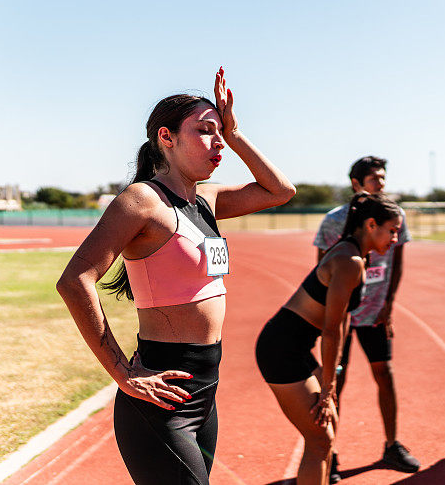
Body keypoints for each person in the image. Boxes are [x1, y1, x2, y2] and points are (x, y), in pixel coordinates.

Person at [56, 68, 295, 485]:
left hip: (204, 389)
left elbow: (280, 191)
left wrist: (236, 133)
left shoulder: (206, 199)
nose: (217, 141)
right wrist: (123, 374)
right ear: (166, 138)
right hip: (162, 392)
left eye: (220, 132)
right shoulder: (142, 201)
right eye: (205, 131)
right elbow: (75, 280)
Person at [256, 193, 403, 485]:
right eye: (393, 230)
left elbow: (345, 320)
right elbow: (332, 327)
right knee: (320, 438)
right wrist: (328, 386)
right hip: (281, 349)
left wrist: (330, 378)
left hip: (295, 347)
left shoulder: (358, 254)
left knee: (326, 431)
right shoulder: (349, 260)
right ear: (372, 224)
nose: (396, 239)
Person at [313, 156, 420, 480]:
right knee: (335, 384)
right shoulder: (333, 221)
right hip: (342, 314)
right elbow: (320, 272)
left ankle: (391, 446)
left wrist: (389, 303)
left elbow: (397, 263)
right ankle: (329, 454)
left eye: (383, 178)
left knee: (384, 374)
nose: (381, 183)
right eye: (374, 178)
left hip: (374, 312)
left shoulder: (393, 215)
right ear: (356, 183)